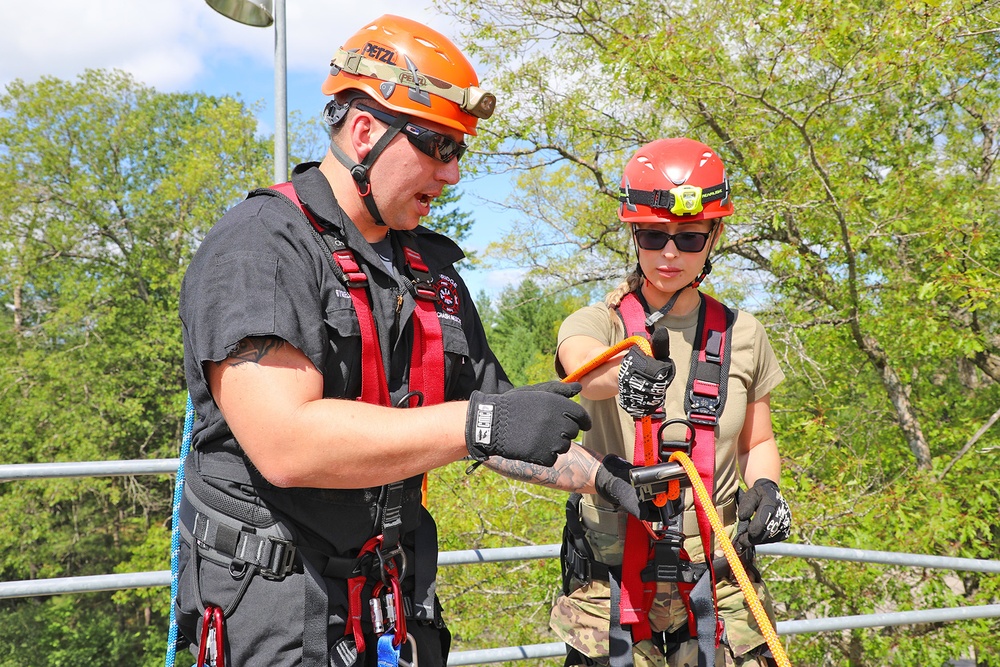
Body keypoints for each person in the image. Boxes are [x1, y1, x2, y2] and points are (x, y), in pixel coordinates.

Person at [173, 14, 593, 667]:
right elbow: (286, 443)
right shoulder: (262, 246)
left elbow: (498, 424)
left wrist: (611, 480)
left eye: (459, 152)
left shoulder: (432, 276)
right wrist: (482, 421)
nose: (452, 175)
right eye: (438, 147)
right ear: (365, 130)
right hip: (281, 616)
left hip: (394, 605)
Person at [540, 138, 792, 666]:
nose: (671, 254)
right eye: (654, 237)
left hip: (719, 578)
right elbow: (581, 364)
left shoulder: (743, 334)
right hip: (613, 586)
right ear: (634, 234)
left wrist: (765, 486)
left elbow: (759, 440)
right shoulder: (601, 322)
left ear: (715, 236)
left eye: (690, 237)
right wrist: (625, 369)